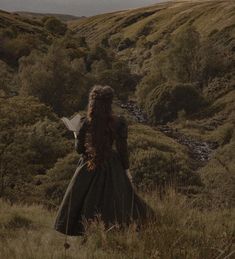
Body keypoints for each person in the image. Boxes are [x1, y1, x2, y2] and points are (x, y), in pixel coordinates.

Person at [54, 85, 154, 236]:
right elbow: (122, 150)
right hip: (112, 166)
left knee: (86, 201)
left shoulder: (84, 123)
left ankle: (89, 232)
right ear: (109, 103)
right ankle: (114, 232)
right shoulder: (118, 122)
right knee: (118, 202)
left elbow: (80, 150)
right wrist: (126, 171)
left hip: (88, 165)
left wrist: (75, 134)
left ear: (92, 103)